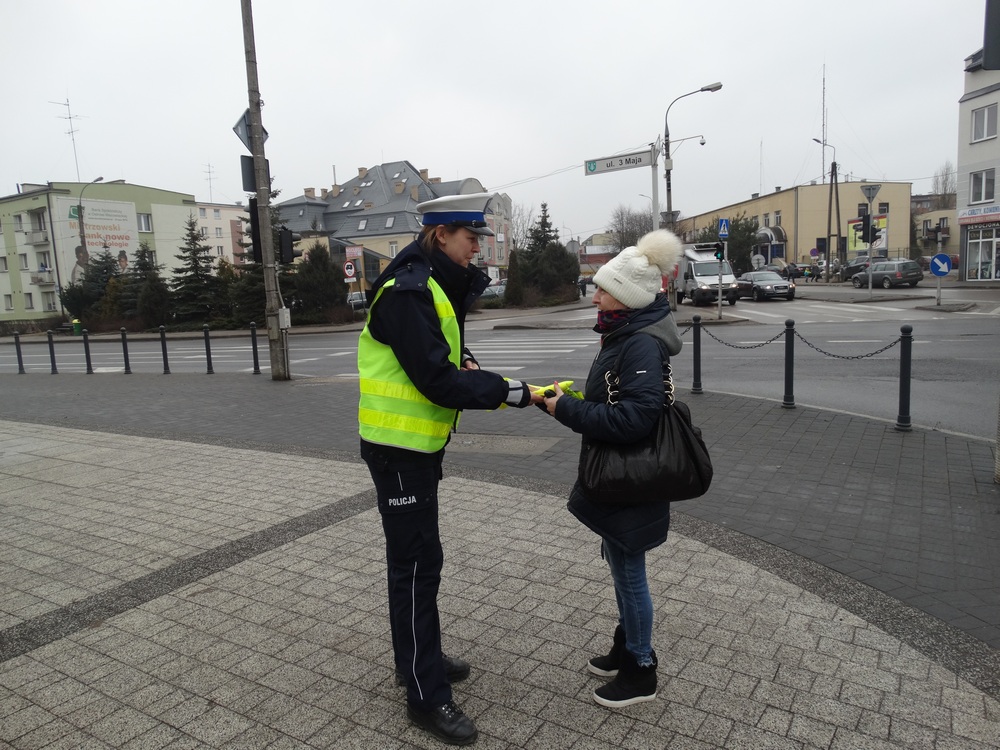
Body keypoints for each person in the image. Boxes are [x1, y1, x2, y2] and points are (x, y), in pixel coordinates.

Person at [357, 192, 541, 745]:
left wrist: (468, 365)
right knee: (416, 567)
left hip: (413, 449)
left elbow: (439, 358)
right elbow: (434, 380)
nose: (476, 250)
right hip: (399, 452)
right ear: (441, 235)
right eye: (470, 239)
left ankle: (418, 659)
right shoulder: (409, 290)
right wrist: (509, 392)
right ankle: (425, 694)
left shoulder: (429, 284)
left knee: (417, 564)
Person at [540, 229, 683, 708]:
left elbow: (635, 419)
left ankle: (641, 667)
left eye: (600, 287)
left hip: (631, 477)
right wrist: (569, 400)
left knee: (629, 572)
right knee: (620, 563)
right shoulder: (623, 335)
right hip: (621, 477)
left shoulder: (639, 344)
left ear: (623, 296)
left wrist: (568, 411)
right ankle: (627, 647)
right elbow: (618, 401)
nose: (593, 294)